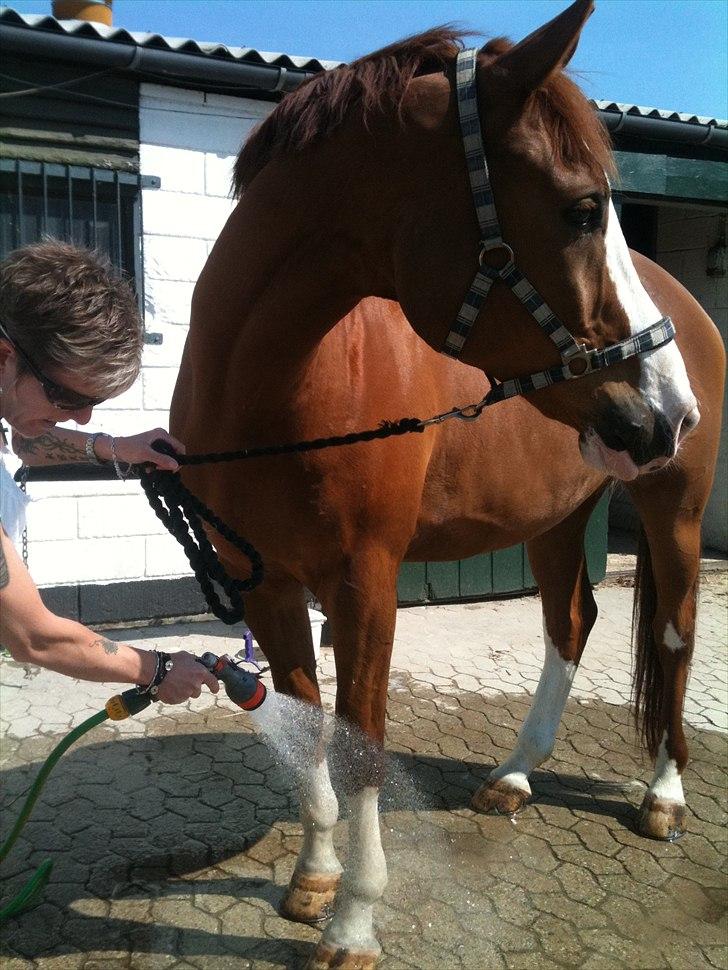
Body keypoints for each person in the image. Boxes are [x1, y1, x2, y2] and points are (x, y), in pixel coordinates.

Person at [0, 240, 218, 704]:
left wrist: (115, 448)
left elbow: (25, 442)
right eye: (68, 398)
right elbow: (33, 637)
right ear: (4, 356)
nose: (81, 418)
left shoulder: (10, 401)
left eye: (92, 404)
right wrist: (156, 669)